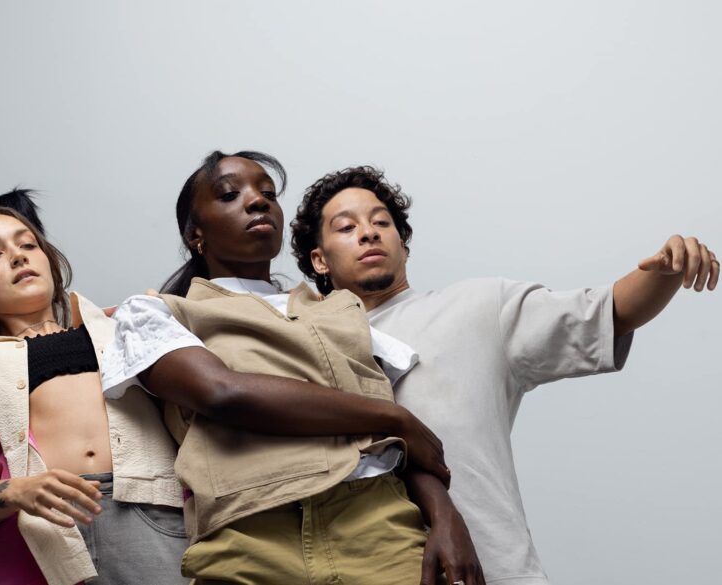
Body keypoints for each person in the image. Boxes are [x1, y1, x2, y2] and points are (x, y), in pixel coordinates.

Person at [289, 165, 719, 585]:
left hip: (492, 565)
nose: (368, 232)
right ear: (319, 260)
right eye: (346, 228)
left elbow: (610, 312)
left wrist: (666, 270)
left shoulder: (477, 308)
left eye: (381, 221)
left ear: (403, 243)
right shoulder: (301, 347)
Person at [101, 150, 484, 585]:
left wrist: (446, 519)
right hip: (249, 540)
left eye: (267, 193)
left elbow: (399, 441)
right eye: (230, 194)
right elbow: (222, 393)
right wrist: (393, 417)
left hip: (379, 528)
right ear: (195, 234)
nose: (258, 201)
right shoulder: (156, 313)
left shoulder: (343, 309)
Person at [0, 190, 189, 585]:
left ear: (49, 260)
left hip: (150, 512)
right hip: (40, 534)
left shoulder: (122, 327)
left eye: (27, 244)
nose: (18, 256)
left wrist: (156, 317)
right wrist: (20, 491)